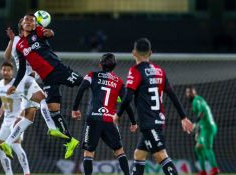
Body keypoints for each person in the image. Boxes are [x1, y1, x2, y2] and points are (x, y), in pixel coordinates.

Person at [5, 13, 83, 159]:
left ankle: (115, 94)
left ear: (36, 24)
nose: (29, 21)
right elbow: (21, 68)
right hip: (47, 79)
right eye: (26, 20)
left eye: (32, 20)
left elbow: (49, 33)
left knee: (84, 83)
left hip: (59, 70)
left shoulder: (38, 32)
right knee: (53, 110)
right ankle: (70, 141)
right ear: (21, 25)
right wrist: (15, 85)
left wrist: (50, 32)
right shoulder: (20, 45)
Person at [113, 38, 193, 175]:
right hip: (157, 120)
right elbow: (172, 95)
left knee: (160, 155)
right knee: (139, 154)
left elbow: (128, 96)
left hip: (148, 122)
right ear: (151, 53)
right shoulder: (159, 71)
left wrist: (118, 114)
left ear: (133, 53)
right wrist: (183, 117)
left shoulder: (135, 71)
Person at [72, 53, 138, 175]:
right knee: (119, 151)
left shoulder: (92, 75)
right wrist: (133, 122)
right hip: (110, 120)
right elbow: (126, 102)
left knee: (88, 153)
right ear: (114, 66)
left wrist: (75, 108)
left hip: (93, 118)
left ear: (100, 64)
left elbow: (81, 88)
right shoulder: (118, 82)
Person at [0, 61, 30, 175]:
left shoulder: (16, 84)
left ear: (12, 72)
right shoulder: (0, 83)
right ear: (1, 71)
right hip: (6, 120)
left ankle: (27, 172)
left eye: (8, 70)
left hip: (16, 119)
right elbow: (4, 102)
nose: (6, 72)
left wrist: (21, 117)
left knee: (15, 144)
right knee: (0, 148)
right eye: (4, 69)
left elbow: (26, 100)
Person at [186, 87, 219, 175]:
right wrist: (197, 132)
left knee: (207, 148)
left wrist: (195, 124)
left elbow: (202, 112)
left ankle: (215, 169)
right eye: (187, 93)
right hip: (204, 128)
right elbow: (202, 117)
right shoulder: (198, 100)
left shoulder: (197, 100)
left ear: (194, 92)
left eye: (189, 92)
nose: (188, 94)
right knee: (198, 148)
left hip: (207, 127)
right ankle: (203, 171)